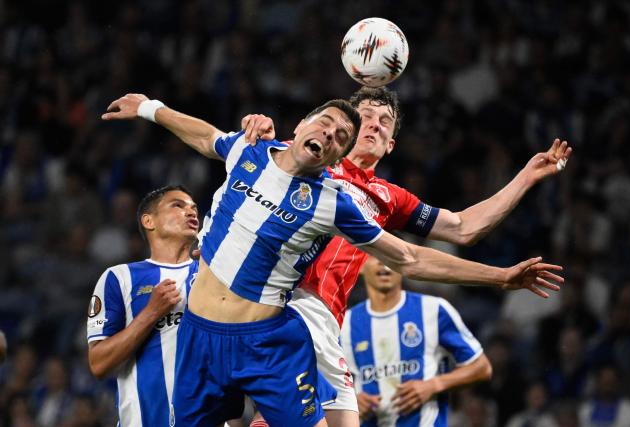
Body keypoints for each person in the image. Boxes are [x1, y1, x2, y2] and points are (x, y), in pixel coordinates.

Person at [102, 94, 563, 427]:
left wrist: (521, 191)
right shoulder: (262, 150)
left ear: (388, 147)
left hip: (297, 323)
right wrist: (149, 107)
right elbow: (208, 138)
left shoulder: (359, 201)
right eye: (361, 119)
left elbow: (449, 235)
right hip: (232, 322)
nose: (370, 126)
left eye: (382, 124)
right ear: (301, 125)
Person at [86, 185, 199, 427]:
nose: (190, 212)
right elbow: (98, 363)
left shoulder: (213, 274)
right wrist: (151, 313)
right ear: (149, 221)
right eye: (178, 206)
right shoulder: (119, 278)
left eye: (193, 208)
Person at [341, 255, 493, 426]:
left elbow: (481, 367)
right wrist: (350, 402)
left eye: (389, 255)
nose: (383, 262)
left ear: (402, 264)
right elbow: (323, 384)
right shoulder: (344, 323)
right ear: (360, 266)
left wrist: (433, 385)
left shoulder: (433, 310)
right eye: (375, 255)